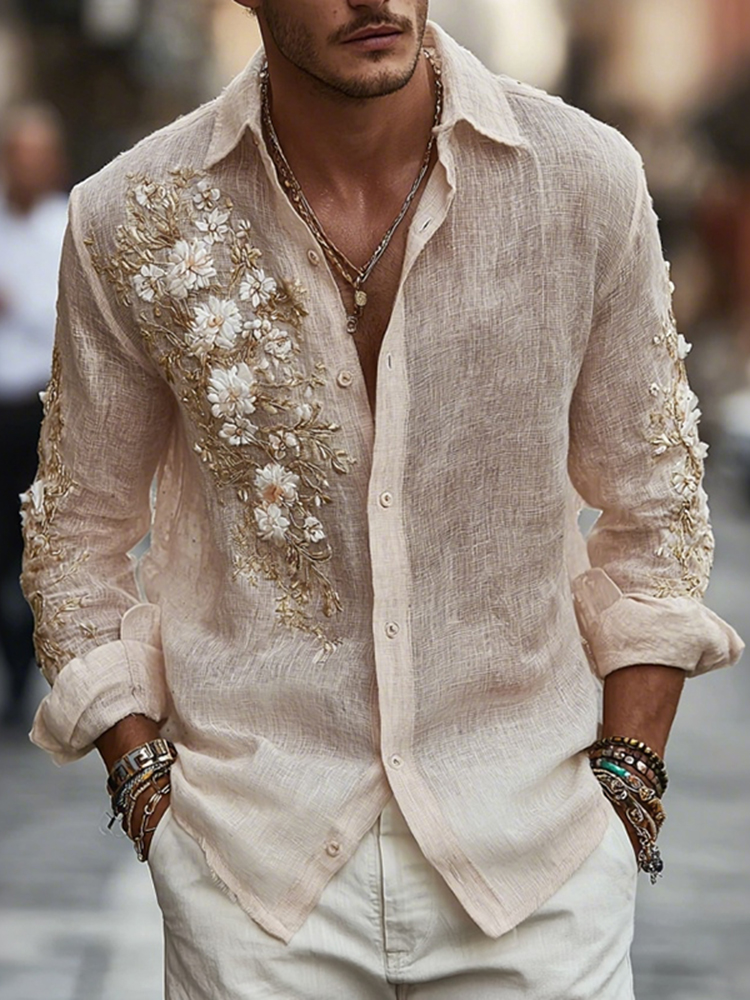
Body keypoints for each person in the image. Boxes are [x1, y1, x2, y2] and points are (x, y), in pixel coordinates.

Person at [22, 2, 744, 997]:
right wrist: (149, 793)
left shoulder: (582, 180)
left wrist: (627, 785)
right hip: (255, 879)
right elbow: (75, 535)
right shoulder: (131, 216)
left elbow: (657, 510)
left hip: (537, 870)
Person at [0, 104, 68, 728]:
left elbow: (66, 326)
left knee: (31, 546)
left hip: (35, 411)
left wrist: (14, 305)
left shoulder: (64, 227)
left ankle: (25, 671)